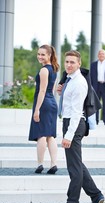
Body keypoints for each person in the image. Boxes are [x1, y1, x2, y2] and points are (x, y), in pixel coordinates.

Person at [55, 50, 104, 203]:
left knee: (74, 167)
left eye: (72, 62)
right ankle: (96, 195)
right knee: (77, 164)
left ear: (79, 64)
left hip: (74, 125)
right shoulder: (70, 80)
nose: (69, 65)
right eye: (67, 62)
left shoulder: (78, 83)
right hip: (70, 122)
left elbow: (76, 113)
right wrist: (62, 92)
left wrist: (68, 135)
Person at [28, 44, 59, 174]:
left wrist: (37, 110)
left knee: (41, 135)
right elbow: (51, 90)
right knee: (50, 136)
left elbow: (42, 91)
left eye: (43, 54)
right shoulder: (53, 69)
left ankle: (40, 164)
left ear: (49, 55)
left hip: (44, 104)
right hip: (51, 102)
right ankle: (53, 164)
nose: (40, 56)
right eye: (38, 54)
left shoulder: (44, 70)